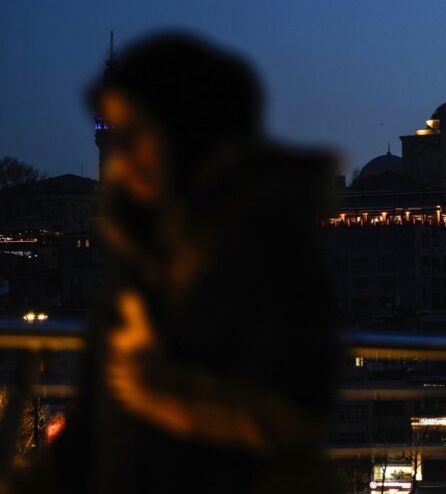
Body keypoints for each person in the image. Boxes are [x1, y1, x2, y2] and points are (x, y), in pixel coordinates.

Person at [29, 31, 337, 493]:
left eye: (135, 130)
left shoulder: (267, 248)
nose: (121, 154)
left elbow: (294, 415)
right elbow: (95, 425)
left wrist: (159, 390)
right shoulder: (136, 248)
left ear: (183, 132)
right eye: (114, 130)